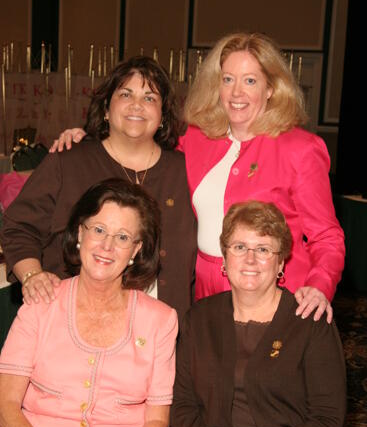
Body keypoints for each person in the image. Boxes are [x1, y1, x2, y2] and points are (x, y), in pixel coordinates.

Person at [50, 33, 344, 322]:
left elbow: (327, 237)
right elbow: (139, 147)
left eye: (250, 81)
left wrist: (319, 287)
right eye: (227, 79)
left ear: (271, 88)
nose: (237, 93)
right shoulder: (197, 138)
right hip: (203, 290)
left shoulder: (300, 148)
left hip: (274, 290)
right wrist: (90, 138)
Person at [0, 178, 178, 427]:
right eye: (98, 230)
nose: (107, 246)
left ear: (136, 250)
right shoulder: (41, 304)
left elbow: (156, 421)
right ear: (80, 233)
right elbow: (5, 405)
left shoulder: (160, 322)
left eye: (122, 237)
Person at [165, 200, 347, 427]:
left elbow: (327, 417)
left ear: (280, 262)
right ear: (224, 257)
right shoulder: (198, 318)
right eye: (239, 247)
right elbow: (183, 406)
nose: (249, 259)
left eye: (263, 249)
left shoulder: (310, 320)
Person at [0, 56, 196, 320]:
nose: (137, 105)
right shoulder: (68, 162)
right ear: (106, 108)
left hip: (161, 332)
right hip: (72, 324)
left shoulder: (186, 171)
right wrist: (33, 276)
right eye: (126, 94)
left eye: (150, 98)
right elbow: (19, 227)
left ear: (162, 116)